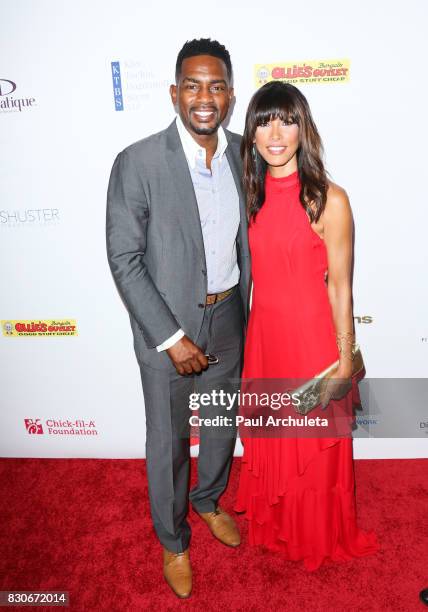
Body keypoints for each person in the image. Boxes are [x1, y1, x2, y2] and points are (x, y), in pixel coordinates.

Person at [106, 39, 250, 598]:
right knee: (168, 440)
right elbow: (125, 258)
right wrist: (170, 337)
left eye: (216, 85)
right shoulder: (138, 162)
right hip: (168, 333)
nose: (204, 97)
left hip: (230, 317)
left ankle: (208, 500)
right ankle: (173, 542)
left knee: (218, 426)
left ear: (231, 96)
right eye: (193, 85)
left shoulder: (245, 154)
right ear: (174, 92)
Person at [234, 81, 379, 570]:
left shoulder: (328, 199)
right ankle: (277, 526)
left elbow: (341, 287)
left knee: (312, 448)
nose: (276, 132)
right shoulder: (248, 196)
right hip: (264, 340)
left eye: (288, 120)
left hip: (311, 342)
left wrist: (343, 359)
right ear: (251, 132)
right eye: (264, 121)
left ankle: (314, 533)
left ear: (304, 128)